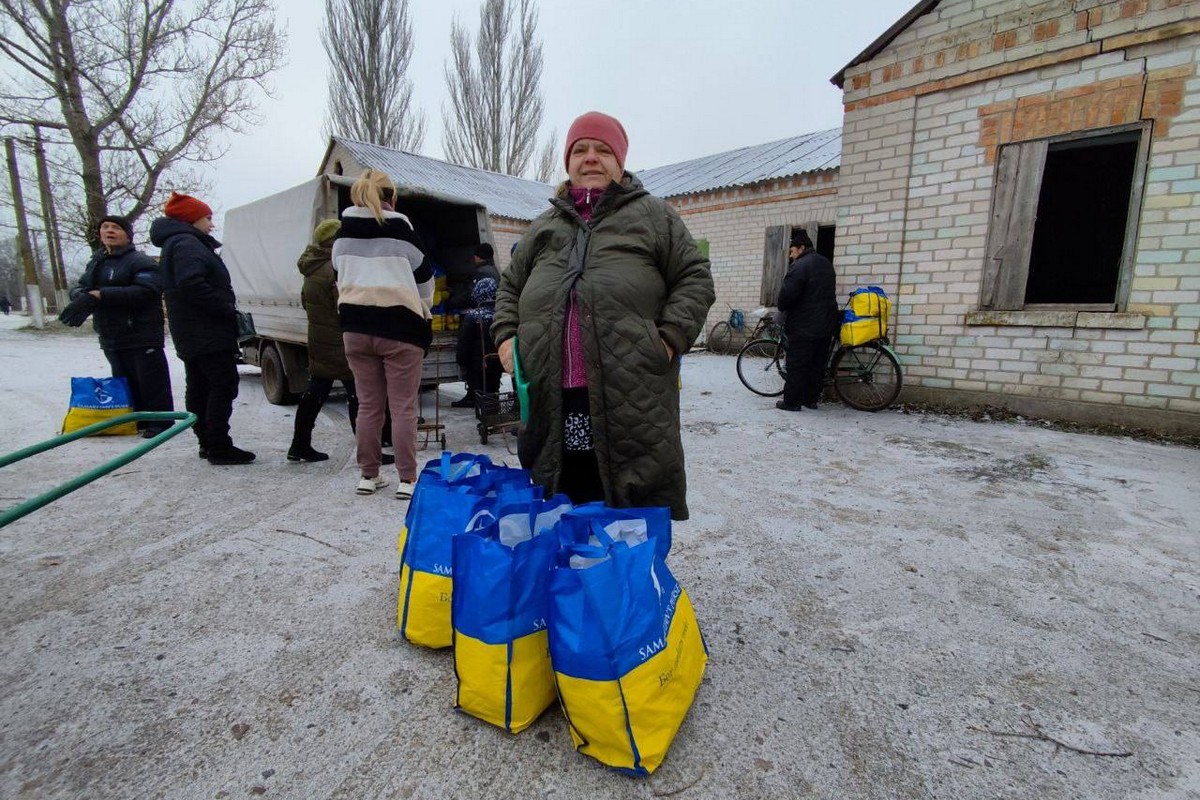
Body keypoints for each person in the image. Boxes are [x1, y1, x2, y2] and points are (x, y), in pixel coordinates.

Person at [491, 111, 714, 520]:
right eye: (580, 150)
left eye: (602, 149)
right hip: (553, 392)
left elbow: (694, 277)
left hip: (630, 388)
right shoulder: (544, 226)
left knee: (625, 504)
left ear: (620, 160)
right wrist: (507, 337)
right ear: (568, 161)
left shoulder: (655, 216)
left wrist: (666, 340)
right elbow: (510, 287)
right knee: (563, 500)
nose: (590, 157)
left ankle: (622, 580)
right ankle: (574, 578)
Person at [333, 169, 432, 499]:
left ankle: (368, 475)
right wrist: (422, 307)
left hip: (356, 328)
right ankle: (406, 479)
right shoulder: (402, 231)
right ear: (392, 198)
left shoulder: (342, 235)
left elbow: (339, 275)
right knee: (403, 406)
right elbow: (424, 280)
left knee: (369, 405)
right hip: (400, 329)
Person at [151, 192, 255, 465]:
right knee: (221, 385)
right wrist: (224, 308)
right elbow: (192, 284)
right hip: (206, 332)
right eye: (207, 218)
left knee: (199, 386)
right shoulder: (187, 244)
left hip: (191, 332)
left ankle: (207, 442)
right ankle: (218, 444)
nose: (211, 224)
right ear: (191, 218)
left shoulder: (176, 244)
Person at [58, 215, 175, 437]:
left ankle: (160, 421)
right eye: (105, 227)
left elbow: (146, 290)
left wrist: (101, 295)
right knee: (124, 379)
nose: (109, 231)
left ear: (127, 235)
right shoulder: (97, 262)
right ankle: (137, 418)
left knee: (150, 380)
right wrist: (83, 297)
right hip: (110, 333)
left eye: (116, 228)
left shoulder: (139, 261)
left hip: (141, 331)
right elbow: (81, 287)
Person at [288, 219, 358, 463]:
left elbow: (307, 304)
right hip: (340, 342)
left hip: (320, 339)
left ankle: (299, 444)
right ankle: (369, 451)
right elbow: (346, 307)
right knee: (358, 394)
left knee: (315, 392)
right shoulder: (333, 268)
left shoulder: (313, 266)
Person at [775, 229, 839, 412]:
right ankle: (811, 400)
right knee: (817, 364)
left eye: (792, 251)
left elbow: (787, 294)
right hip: (826, 323)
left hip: (805, 324)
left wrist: (781, 306)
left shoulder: (800, 265)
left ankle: (792, 402)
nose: (791, 255)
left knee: (797, 364)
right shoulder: (826, 263)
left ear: (801, 248)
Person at [450, 242, 502, 408]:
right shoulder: (498, 314)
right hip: (495, 360)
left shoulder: (473, 317)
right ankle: (493, 403)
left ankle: (474, 398)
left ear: (478, 256)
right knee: (493, 380)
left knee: (476, 378)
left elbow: (464, 342)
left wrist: (451, 302)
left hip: (476, 361)